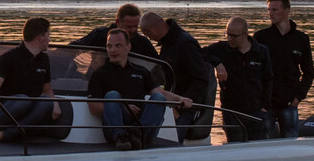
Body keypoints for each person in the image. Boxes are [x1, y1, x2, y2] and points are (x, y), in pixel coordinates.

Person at [87, 28, 190, 148]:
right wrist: (123, 107)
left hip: (141, 127)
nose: (113, 50)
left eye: (118, 45)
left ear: (128, 47)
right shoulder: (99, 74)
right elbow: (93, 107)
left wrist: (180, 99)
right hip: (116, 130)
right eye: (109, 46)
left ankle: (139, 134)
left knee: (158, 98)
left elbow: (160, 92)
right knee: (112, 95)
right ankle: (122, 138)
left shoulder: (141, 71)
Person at [0, 17, 63, 142]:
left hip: (32, 108)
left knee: (46, 102)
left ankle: (3, 134)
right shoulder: (8, 58)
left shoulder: (44, 59)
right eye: (48, 35)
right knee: (23, 101)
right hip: (11, 106)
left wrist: (55, 104)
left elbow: (46, 89)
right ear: (40, 37)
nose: (50, 40)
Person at [140, 11, 215, 142]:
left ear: (151, 30)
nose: (150, 39)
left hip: (185, 106)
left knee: (171, 143)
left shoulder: (184, 43)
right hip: (171, 103)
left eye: (148, 35)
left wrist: (180, 107)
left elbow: (201, 78)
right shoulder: (167, 43)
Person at [251, 0, 314, 139]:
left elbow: (309, 72)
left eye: (274, 10)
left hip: (289, 103)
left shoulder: (301, 39)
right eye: (269, 10)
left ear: (286, 11)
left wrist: (298, 97)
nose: (270, 14)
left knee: (290, 143)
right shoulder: (261, 37)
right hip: (266, 103)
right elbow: (253, 70)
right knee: (262, 142)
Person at [203, 17, 273, 143]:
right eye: (227, 34)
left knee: (258, 149)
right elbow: (200, 52)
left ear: (245, 35)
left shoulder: (261, 51)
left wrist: (265, 106)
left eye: (234, 36)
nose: (230, 39)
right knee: (235, 148)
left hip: (256, 110)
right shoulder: (221, 49)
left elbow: (268, 78)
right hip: (231, 111)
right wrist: (217, 63)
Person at [77, 3, 157, 59]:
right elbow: (71, 51)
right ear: (118, 22)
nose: (133, 30)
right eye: (129, 27)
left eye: (136, 26)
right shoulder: (98, 35)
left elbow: (158, 66)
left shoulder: (143, 43)